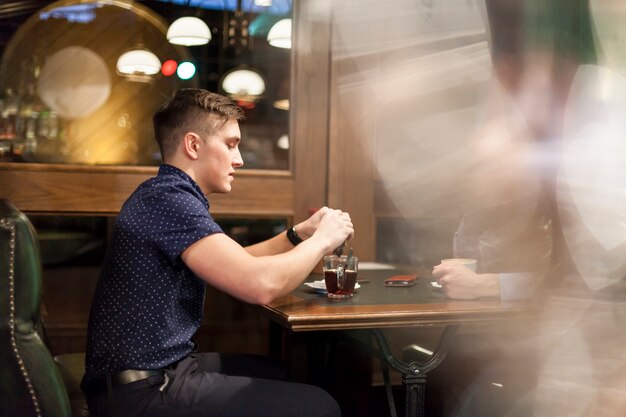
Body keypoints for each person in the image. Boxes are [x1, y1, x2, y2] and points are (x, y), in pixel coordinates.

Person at [80, 88, 353, 417]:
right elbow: (258, 284)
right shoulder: (170, 200)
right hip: (141, 393)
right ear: (193, 145)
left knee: (279, 372)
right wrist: (322, 240)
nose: (239, 159)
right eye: (231, 144)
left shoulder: (165, 194)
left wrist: (298, 234)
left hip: (148, 376)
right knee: (321, 406)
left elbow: (239, 261)